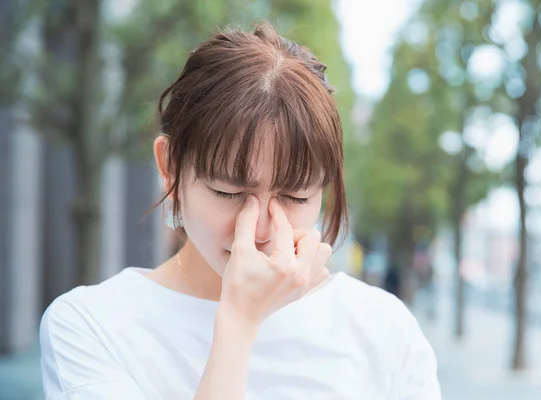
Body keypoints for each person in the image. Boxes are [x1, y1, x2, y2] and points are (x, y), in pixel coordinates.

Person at [39, 22, 441, 399]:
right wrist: (237, 325)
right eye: (229, 192)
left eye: (295, 197)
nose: (261, 230)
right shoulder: (91, 325)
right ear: (169, 167)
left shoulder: (383, 328)